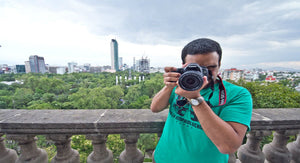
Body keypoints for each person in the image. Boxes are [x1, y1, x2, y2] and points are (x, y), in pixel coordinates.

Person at [150, 38, 252, 163]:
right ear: (184, 67)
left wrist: (195, 99)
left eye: (211, 68)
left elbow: (228, 146)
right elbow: (155, 108)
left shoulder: (237, 94)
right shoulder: (182, 84)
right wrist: (168, 86)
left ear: (219, 65)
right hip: (163, 158)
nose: (205, 75)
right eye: (197, 68)